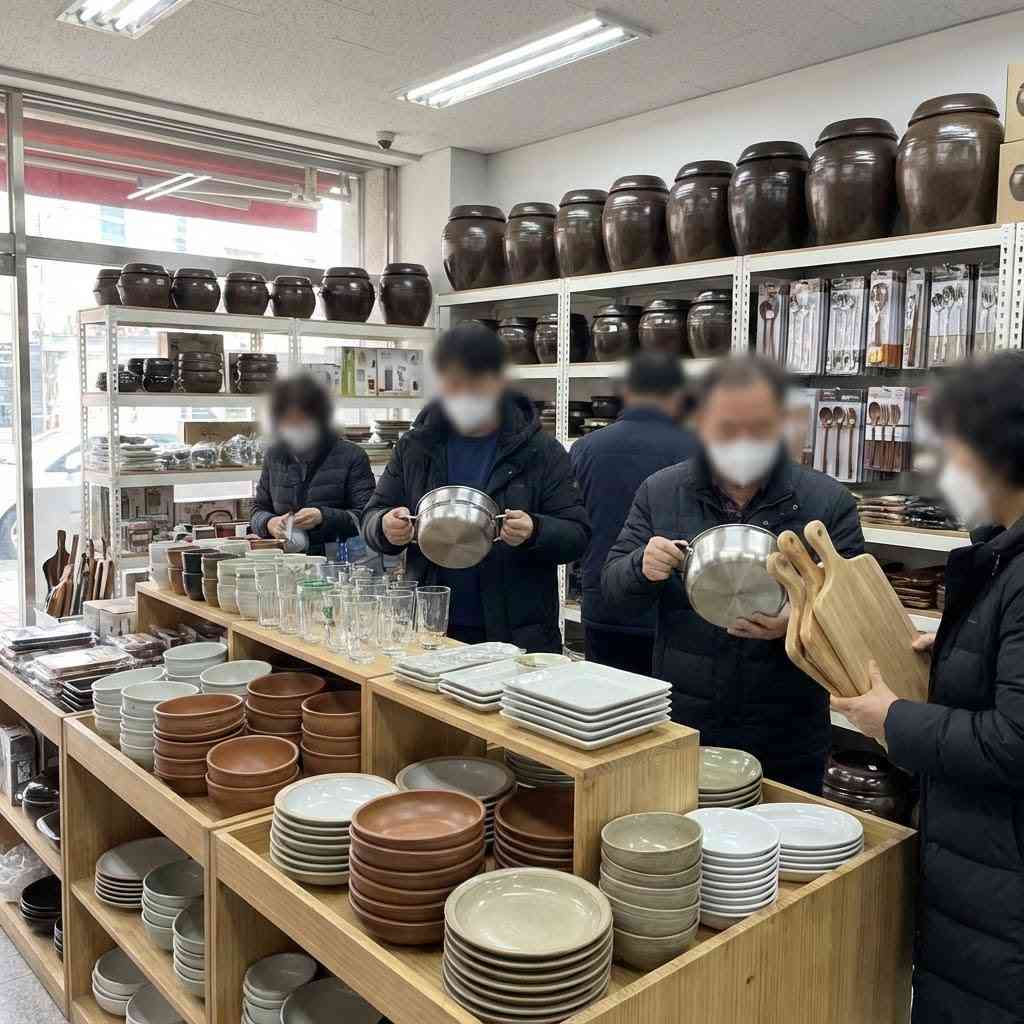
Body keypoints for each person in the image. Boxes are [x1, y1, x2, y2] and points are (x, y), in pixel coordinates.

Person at [831, 352, 1024, 1024]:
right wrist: (954, 655)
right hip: (983, 877)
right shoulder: (1003, 553)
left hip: (1002, 897)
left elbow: (1013, 744)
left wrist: (895, 721)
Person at [602, 354, 863, 792]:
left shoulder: (826, 503)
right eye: (727, 428)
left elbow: (856, 618)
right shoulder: (662, 492)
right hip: (687, 721)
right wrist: (639, 567)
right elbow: (610, 593)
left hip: (787, 728)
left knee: (785, 844)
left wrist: (794, 626)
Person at [361, 323, 589, 651]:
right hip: (431, 630)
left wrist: (535, 530)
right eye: (454, 384)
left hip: (516, 635)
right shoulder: (416, 447)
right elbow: (371, 514)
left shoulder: (540, 450)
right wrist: (383, 527)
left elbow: (577, 536)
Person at [570, 352, 698, 675]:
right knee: (667, 719)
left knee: (606, 711)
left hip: (603, 605)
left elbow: (576, 523)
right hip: (671, 610)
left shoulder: (586, 448)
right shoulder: (696, 449)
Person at [250, 374, 376, 556]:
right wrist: (269, 523)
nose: (295, 427)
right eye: (287, 421)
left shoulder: (352, 456)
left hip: (338, 564)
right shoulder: (275, 456)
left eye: (301, 420)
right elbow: (258, 509)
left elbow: (368, 518)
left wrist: (322, 517)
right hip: (289, 560)